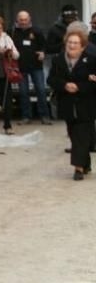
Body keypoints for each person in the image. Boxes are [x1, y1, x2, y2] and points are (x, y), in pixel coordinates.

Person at [47, 28, 96, 180]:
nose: (72, 45)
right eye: (70, 42)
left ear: (82, 46)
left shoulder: (92, 60)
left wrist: (80, 87)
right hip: (67, 104)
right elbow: (51, 79)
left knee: (81, 134)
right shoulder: (58, 60)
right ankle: (86, 162)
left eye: (76, 43)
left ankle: (78, 168)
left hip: (86, 104)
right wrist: (64, 85)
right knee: (74, 135)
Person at [11, 10, 51, 125]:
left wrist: (43, 52)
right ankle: (26, 117)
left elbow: (44, 45)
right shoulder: (12, 32)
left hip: (36, 67)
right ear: (17, 20)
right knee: (23, 93)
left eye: (25, 19)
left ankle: (44, 116)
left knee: (41, 91)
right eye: (21, 20)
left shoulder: (37, 31)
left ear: (29, 19)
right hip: (20, 67)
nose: (23, 22)